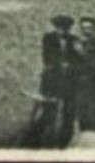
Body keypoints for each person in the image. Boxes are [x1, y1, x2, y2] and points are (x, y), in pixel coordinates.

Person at [31, 14, 78, 147]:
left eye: (66, 28)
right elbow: (47, 57)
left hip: (69, 82)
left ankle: (64, 143)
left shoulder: (74, 40)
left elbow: (79, 59)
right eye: (60, 27)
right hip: (52, 80)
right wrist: (60, 64)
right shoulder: (48, 38)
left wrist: (72, 64)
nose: (63, 30)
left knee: (68, 112)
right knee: (49, 112)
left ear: (69, 28)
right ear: (56, 27)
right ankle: (42, 142)